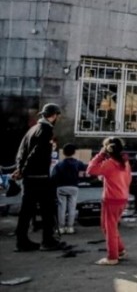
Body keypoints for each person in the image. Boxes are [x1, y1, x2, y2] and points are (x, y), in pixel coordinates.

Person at [13, 103, 68, 252]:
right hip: (40, 177)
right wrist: (22, 170)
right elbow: (36, 153)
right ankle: (48, 241)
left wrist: (20, 169)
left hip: (29, 178)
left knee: (26, 211)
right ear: (54, 115)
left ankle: (22, 241)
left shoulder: (32, 129)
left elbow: (21, 152)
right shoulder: (46, 130)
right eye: (57, 116)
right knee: (48, 210)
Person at [87, 137, 132, 265]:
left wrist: (100, 155)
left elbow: (90, 170)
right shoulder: (125, 162)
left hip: (111, 199)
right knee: (109, 226)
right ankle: (120, 250)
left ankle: (112, 257)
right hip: (122, 197)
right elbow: (128, 179)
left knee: (109, 228)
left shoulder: (110, 163)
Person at [51, 143, 87, 235]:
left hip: (61, 187)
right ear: (74, 152)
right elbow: (82, 175)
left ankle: (61, 228)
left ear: (63, 152)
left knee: (61, 207)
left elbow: (53, 177)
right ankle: (70, 227)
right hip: (73, 187)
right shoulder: (79, 163)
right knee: (72, 207)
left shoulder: (59, 164)